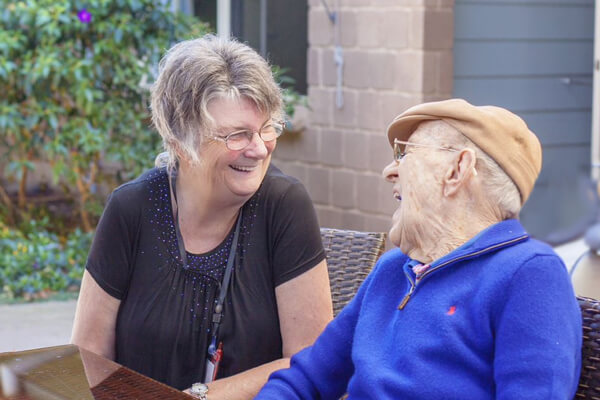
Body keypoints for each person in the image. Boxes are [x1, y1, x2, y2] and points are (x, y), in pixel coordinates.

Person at [256, 98, 582, 399]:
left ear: (457, 170)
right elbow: (305, 379)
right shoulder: (393, 270)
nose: (389, 171)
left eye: (405, 153)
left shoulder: (528, 273)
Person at [71, 35, 333, 399]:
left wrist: (199, 397)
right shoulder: (131, 210)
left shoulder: (283, 206)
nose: (258, 149)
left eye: (266, 128)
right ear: (180, 141)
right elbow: (88, 357)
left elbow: (312, 361)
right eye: (238, 135)